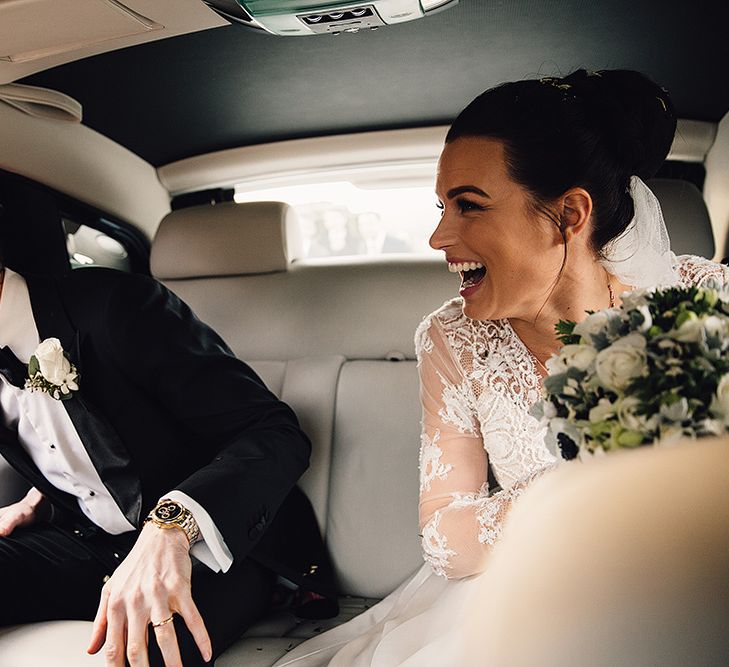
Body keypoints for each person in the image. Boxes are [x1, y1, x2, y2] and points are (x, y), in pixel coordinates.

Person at [273, 69, 729, 666]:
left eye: (468, 205)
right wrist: (584, 482)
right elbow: (447, 537)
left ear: (569, 213)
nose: (439, 236)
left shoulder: (707, 300)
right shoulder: (452, 340)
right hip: (524, 596)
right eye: (442, 207)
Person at [0, 219, 334, 667]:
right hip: (90, 539)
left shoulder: (118, 306)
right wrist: (39, 495)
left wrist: (172, 525)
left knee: (144, 648)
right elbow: (74, 438)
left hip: (209, 545)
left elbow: (275, 432)